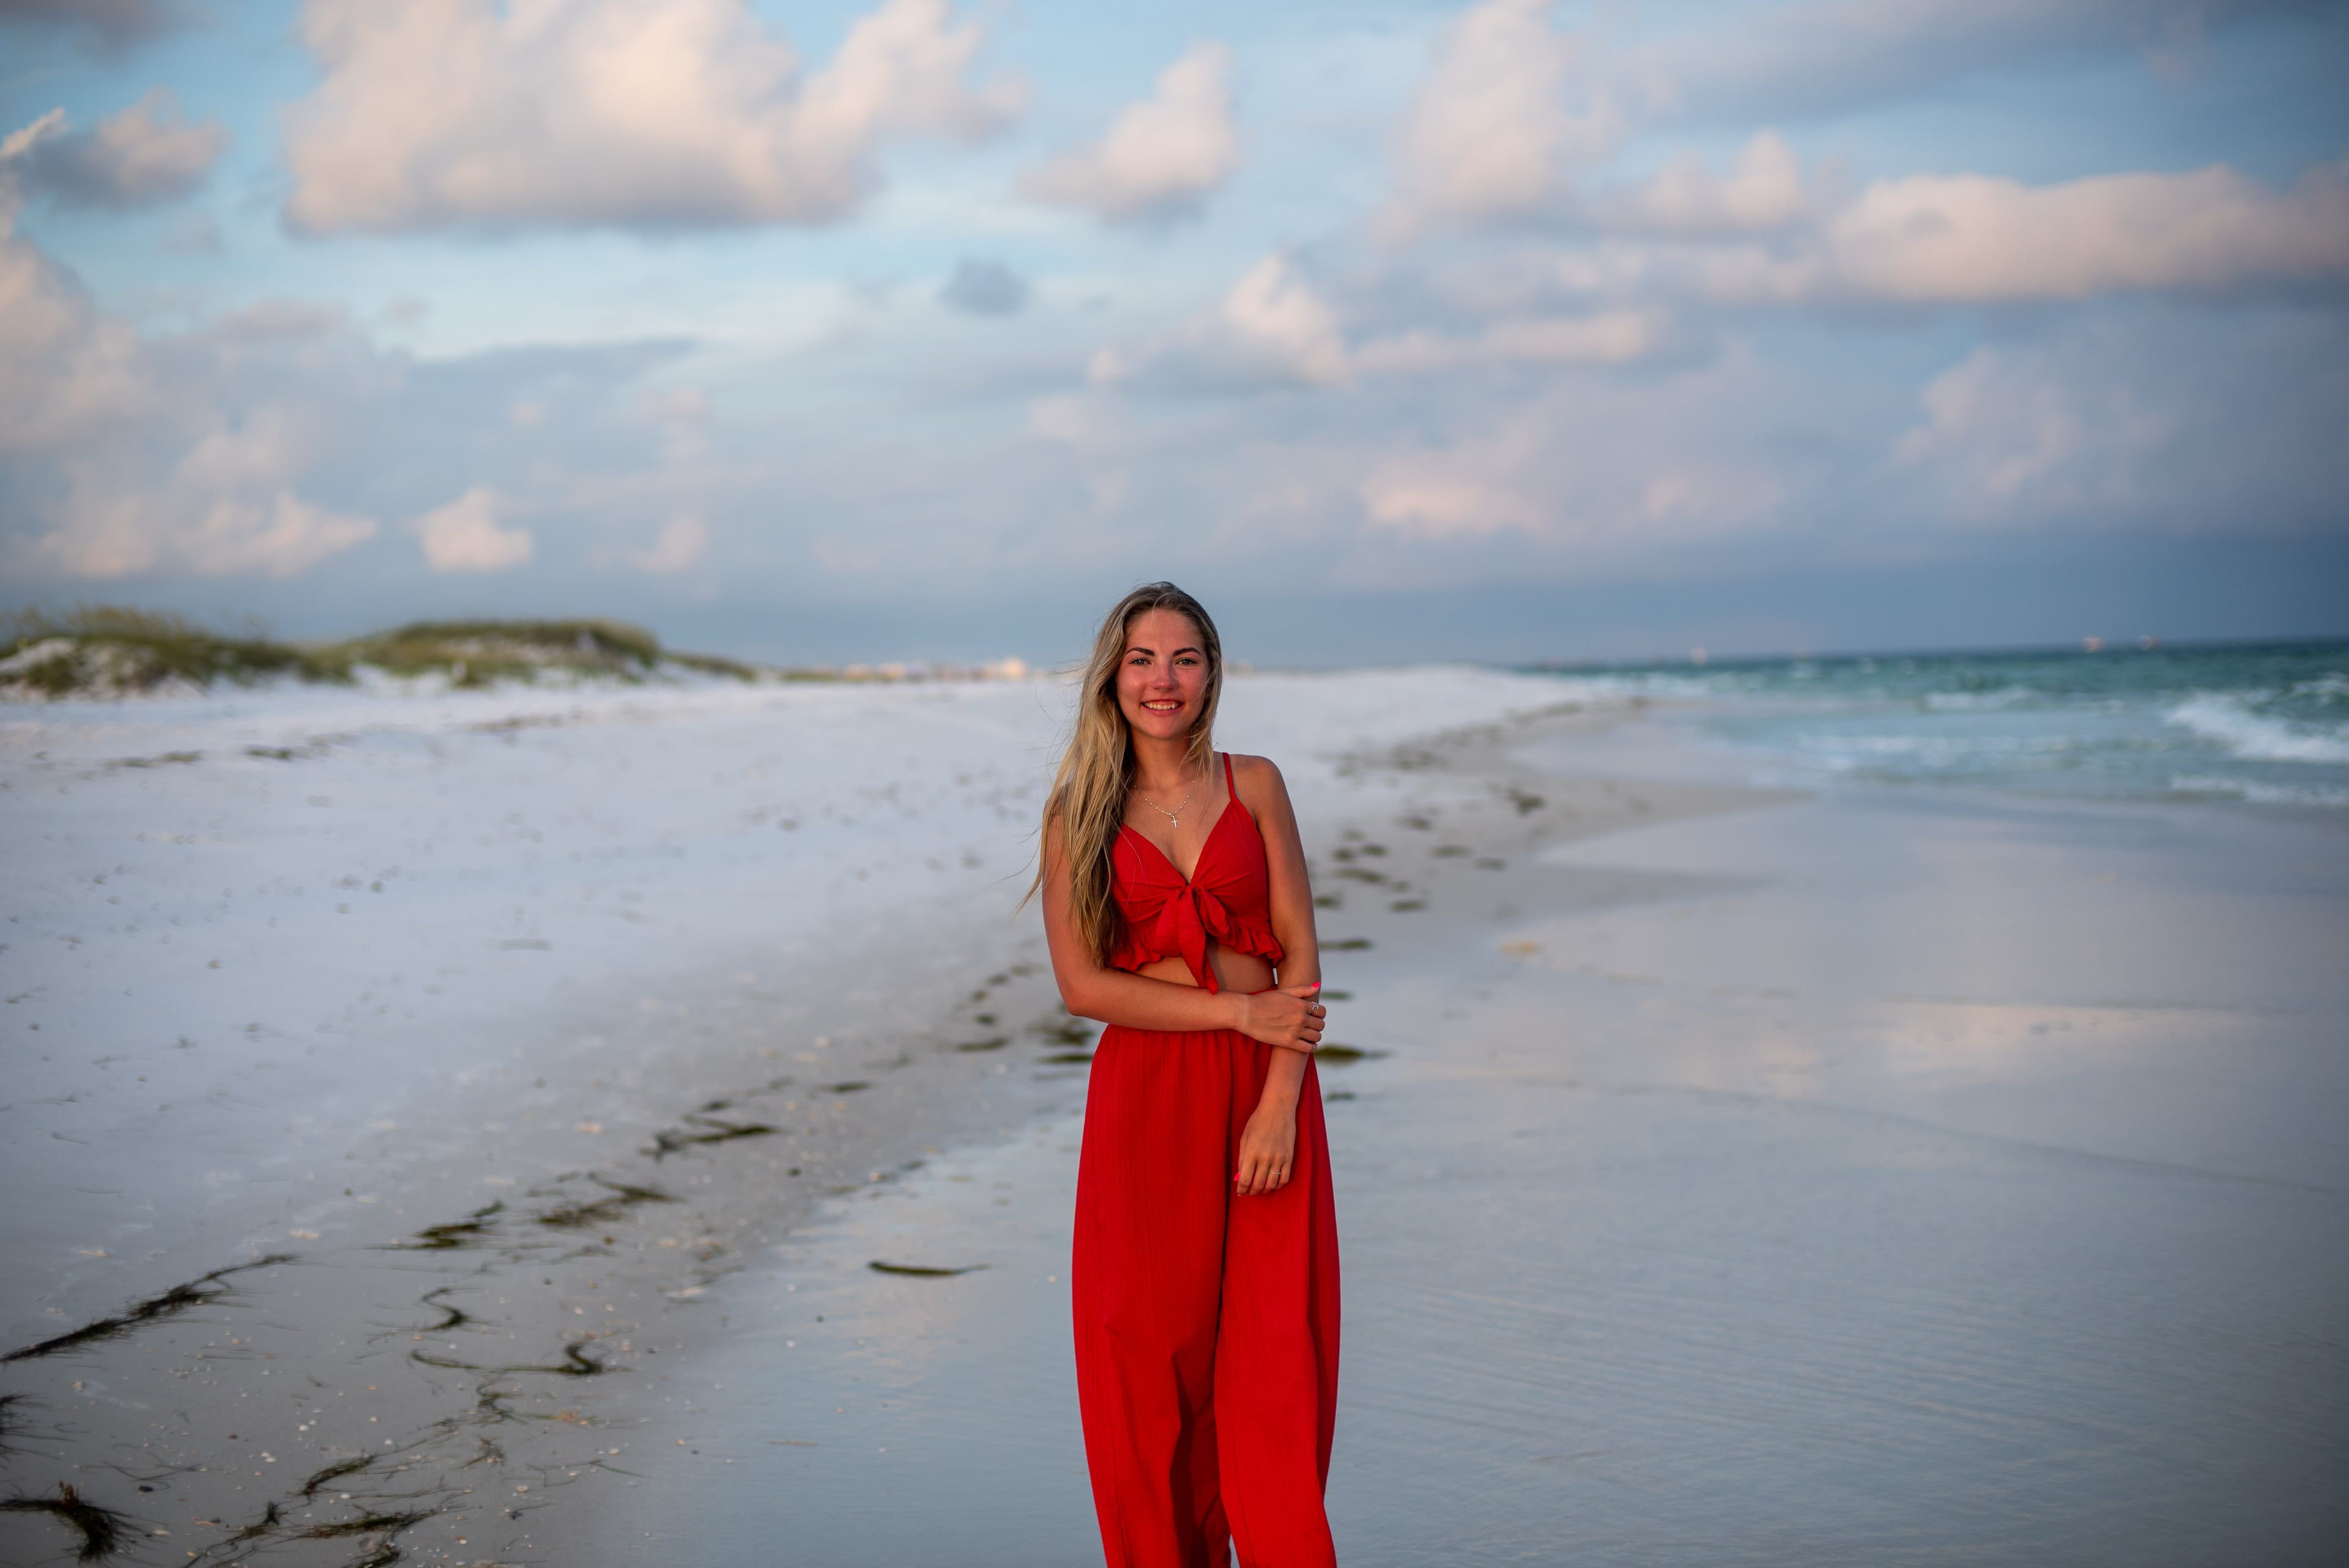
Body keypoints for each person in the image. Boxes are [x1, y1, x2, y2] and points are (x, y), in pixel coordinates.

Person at [1031, 582, 1341, 1568]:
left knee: (1271, 1359)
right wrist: (1232, 1010)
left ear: (1212, 674)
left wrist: (1279, 1101)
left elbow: (1300, 953)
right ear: (1111, 677)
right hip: (1146, 1100)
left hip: (1265, 1094)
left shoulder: (1256, 784)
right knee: (1148, 1360)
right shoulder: (1077, 810)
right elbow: (1084, 986)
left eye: (1185, 659)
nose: (1163, 680)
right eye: (1142, 660)